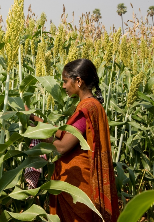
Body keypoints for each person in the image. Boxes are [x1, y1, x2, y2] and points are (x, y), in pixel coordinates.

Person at [28, 59, 119, 222]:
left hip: (77, 186)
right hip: (79, 183)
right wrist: (35, 119)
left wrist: (41, 135)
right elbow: (65, 133)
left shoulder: (87, 109)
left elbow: (62, 146)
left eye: (65, 81)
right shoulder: (92, 106)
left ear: (78, 81)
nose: (63, 86)